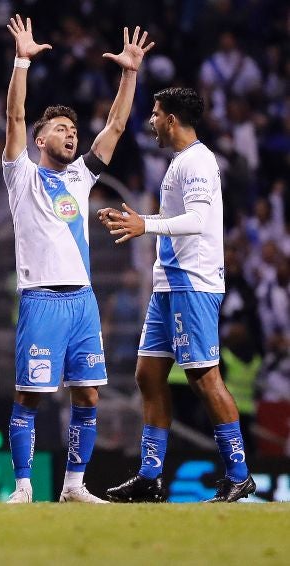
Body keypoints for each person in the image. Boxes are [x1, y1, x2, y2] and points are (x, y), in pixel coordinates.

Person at [1, 15, 152, 503]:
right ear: (42, 140)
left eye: (72, 129)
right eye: (61, 129)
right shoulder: (20, 175)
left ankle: (73, 487)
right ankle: (23, 487)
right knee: (31, 396)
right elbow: (15, 119)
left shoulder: (80, 178)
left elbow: (116, 124)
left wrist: (129, 73)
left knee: (88, 395)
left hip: (82, 302)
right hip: (41, 299)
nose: (71, 134)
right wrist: (22, 60)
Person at [99, 87, 256, 503]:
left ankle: (240, 475)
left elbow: (198, 220)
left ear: (171, 118)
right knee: (147, 375)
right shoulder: (180, 163)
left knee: (205, 378)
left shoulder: (199, 162)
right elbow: (175, 219)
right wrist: (137, 221)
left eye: (154, 113)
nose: (150, 120)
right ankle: (150, 477)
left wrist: (145, 227)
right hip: (168, 284)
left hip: (193, 282)